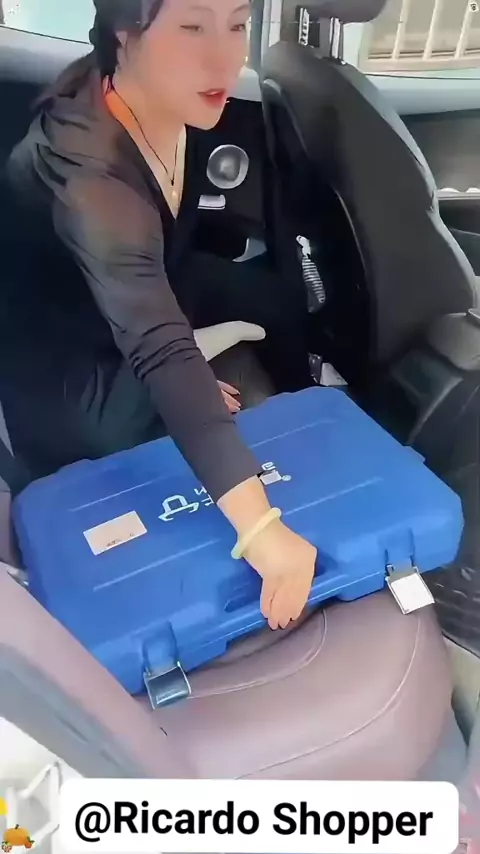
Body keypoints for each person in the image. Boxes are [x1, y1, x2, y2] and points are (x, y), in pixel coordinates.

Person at [4, 0, 317, 630]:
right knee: (124, 424)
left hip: (143, 291)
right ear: (127, 34)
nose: (224, 58)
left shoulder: (166, 96)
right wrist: (262, 529)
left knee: (282, 302)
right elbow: (156, 344)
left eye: (237, 25)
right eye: (192, 27)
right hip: (70, 365)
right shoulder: (88, 175)